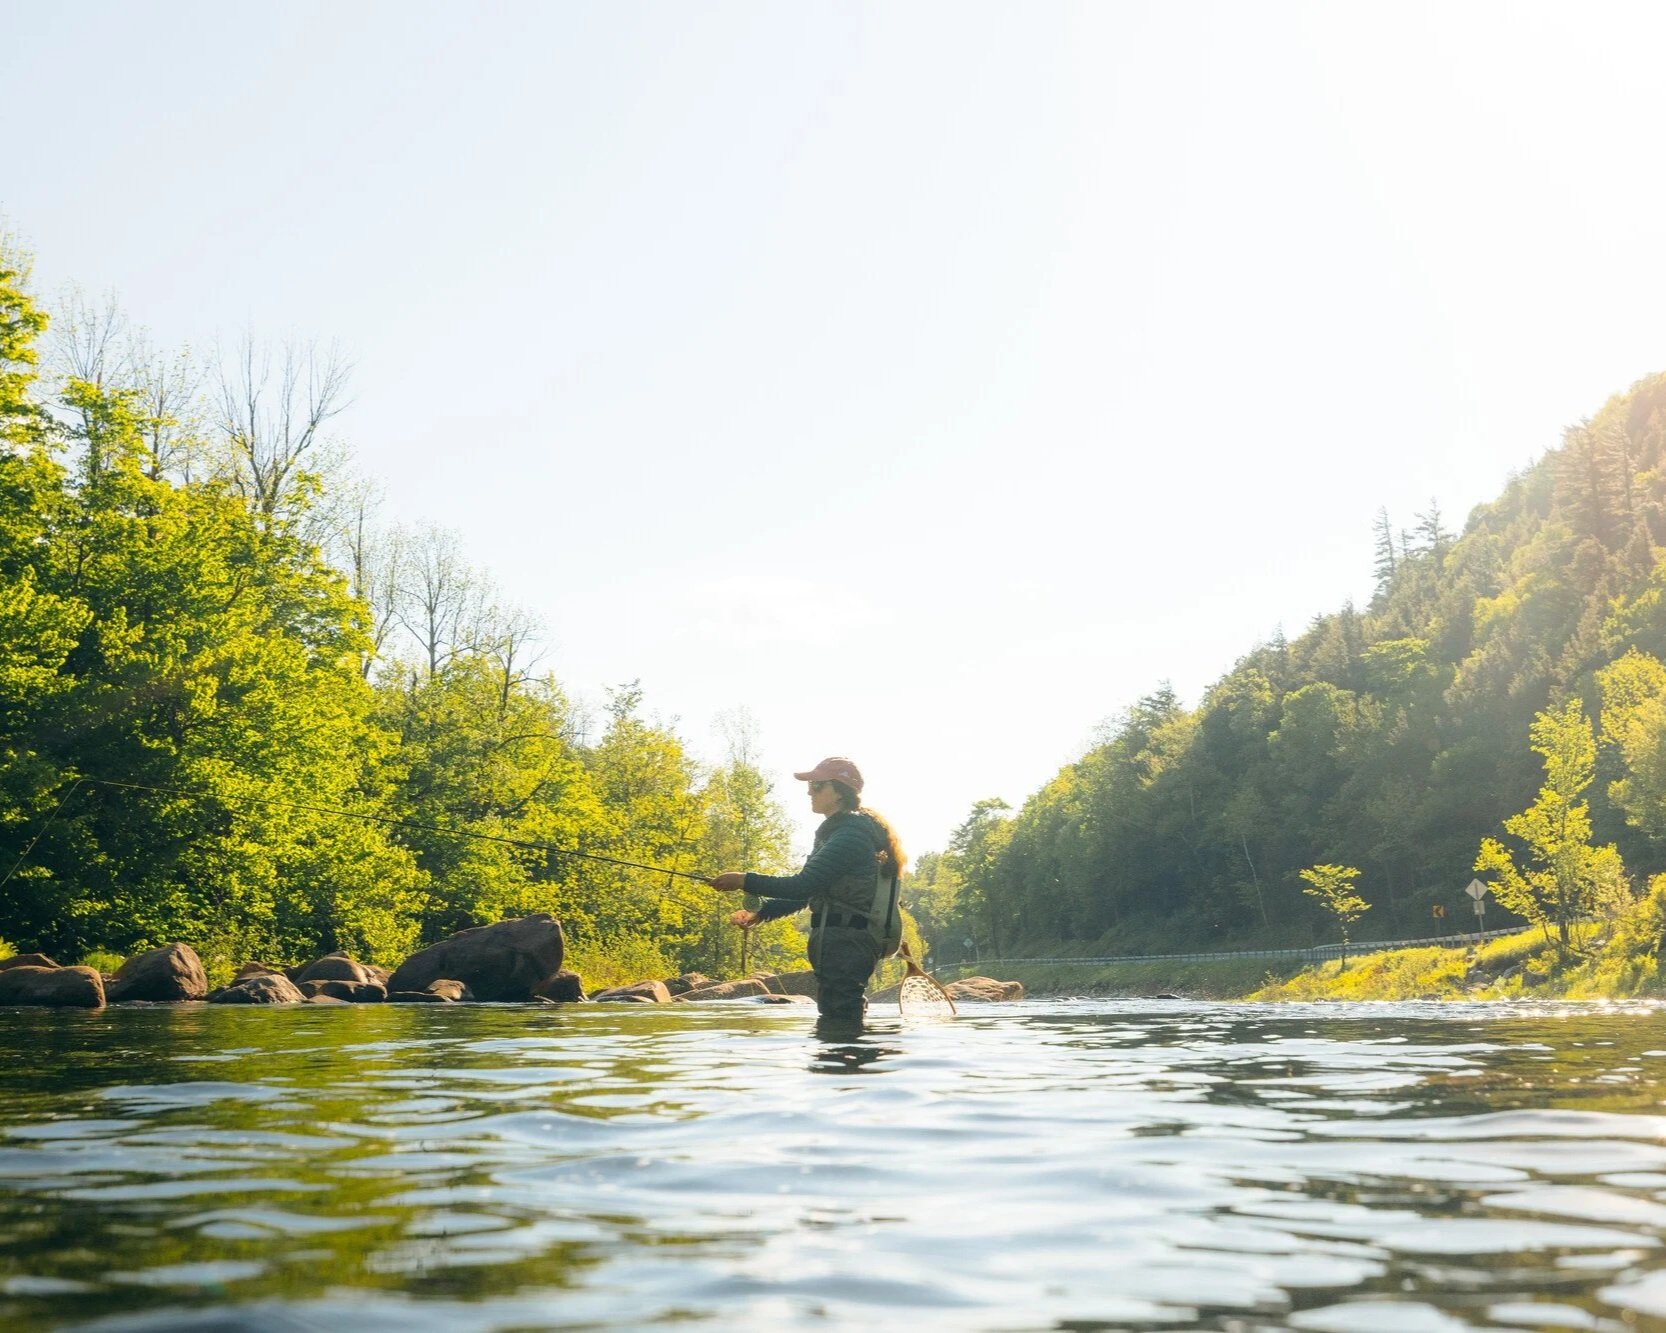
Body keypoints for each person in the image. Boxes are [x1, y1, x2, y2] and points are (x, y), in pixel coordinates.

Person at [709, 756, 906, 1031]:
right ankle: (848, 1068)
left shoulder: (850, 836)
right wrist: (762, 912)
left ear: (839, 791)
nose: (809, 791)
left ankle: (848, 1069)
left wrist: (745, 880)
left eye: (816, 785)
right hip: (843, 940)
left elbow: (803, 884)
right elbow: (809, 892)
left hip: (847, 942)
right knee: (838, 1017)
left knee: (840, 1020)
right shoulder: (843, 831)